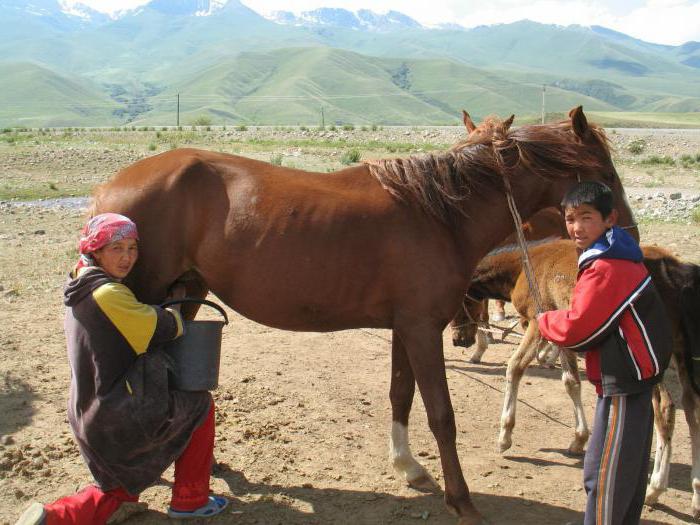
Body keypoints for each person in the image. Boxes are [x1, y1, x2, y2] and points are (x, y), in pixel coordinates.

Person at [16, 213, 228, 525]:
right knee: (199, 405)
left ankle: (54, 517)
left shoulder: (79, 279)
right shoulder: (109, 294)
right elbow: (165, 327)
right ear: (96, 250)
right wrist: (177, 310)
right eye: (116, 248)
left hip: (87, 407)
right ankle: (190, 499)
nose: (127, 257)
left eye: (132, 248)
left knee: (120, 492)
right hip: (116, 412)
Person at [537, 181, 672, 525]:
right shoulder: (617, 253)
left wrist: (544, 321)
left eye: (586, 217)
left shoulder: (606, 267)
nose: (577, 227)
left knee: (605, 476)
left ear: (610, 218)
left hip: (623, 383)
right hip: (634, 380)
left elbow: (578, 328)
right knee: (625, 474)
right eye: (570, 219)